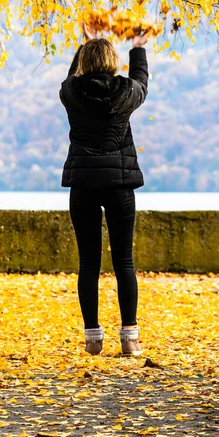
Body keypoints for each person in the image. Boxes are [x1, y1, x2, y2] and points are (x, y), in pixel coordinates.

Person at [59, 20, 149, 356]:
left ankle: (92, 337)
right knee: (124, 260)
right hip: (119, 184)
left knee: (88, 264)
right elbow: (142, 81)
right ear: (113, 63)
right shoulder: (125, 93)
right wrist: (137, 47)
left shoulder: (72, 94)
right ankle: (129, 338)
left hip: (83, 184)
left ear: (83, 62)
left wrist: (85, 44)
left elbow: (70, 80)